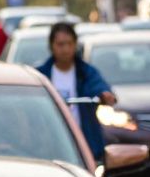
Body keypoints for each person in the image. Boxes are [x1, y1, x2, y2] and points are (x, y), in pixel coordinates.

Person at [36, 23, 116, 161]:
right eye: (60, 44)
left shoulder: (86, 73)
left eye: (69, 43)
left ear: (75, 45)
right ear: (51, 46)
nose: (65, 49)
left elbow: (100, 87)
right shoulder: (41, 76)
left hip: (84, 145)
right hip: (49, 146)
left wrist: (105, 96)